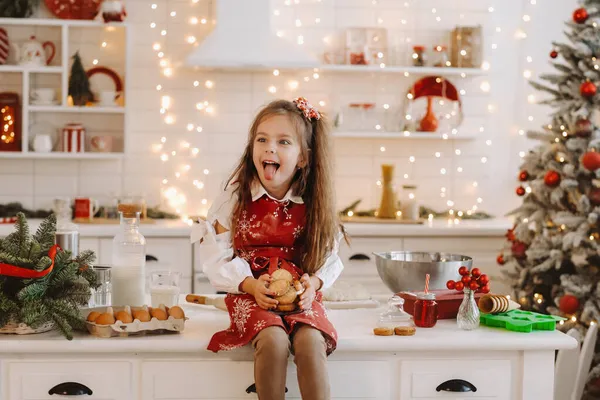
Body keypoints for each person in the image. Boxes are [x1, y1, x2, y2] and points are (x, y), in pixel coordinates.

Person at [192, 97, 345, 400]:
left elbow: (330, 256)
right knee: (274, 340)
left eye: (283, 141)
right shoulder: (233, 200)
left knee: (311, 341)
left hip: (300, 292)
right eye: (262, 139)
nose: (269, 148)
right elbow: (215, 256)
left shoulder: (315, 204)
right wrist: (249, 284)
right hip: (251, 291)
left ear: (303, 158)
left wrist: (312, 285)